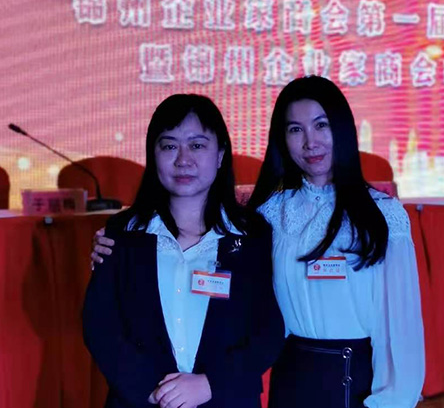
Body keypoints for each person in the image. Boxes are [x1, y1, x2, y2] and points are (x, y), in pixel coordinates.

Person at [92, 76, 425, 408]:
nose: (310, 142)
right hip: (290, 386)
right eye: (295, 129)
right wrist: (111, 246)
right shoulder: (268, 217)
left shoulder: (382, 216)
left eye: (321, 125)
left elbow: (402, 328)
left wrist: (394, 401)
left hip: (357, 385)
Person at [83, 94, 284, 408]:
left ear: (220, 155)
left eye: (197, 145)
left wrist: (211, 384)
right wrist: (150, 389)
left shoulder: (253, 236)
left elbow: (268, 331)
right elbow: (100, 324)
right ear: (153, 155)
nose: (183, 160)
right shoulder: (123, 234)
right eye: (169, 146)